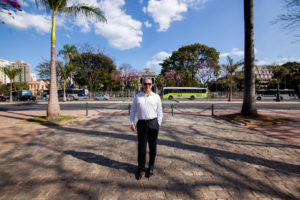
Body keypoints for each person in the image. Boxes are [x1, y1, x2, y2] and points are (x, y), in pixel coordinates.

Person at [130, 78, 163, 180]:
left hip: (153, 123)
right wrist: (132, 122)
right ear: (142, 85)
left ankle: (151, 167)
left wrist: (158, 123)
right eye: (145, 84)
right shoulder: (137, 97)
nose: (147, 86)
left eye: (149, 84)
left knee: (153, 147)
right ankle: (140, 168)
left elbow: (160, 111)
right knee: (142, 148)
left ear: (152, 85)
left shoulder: (156, 97)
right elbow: (133, 110)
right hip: (142, 124)